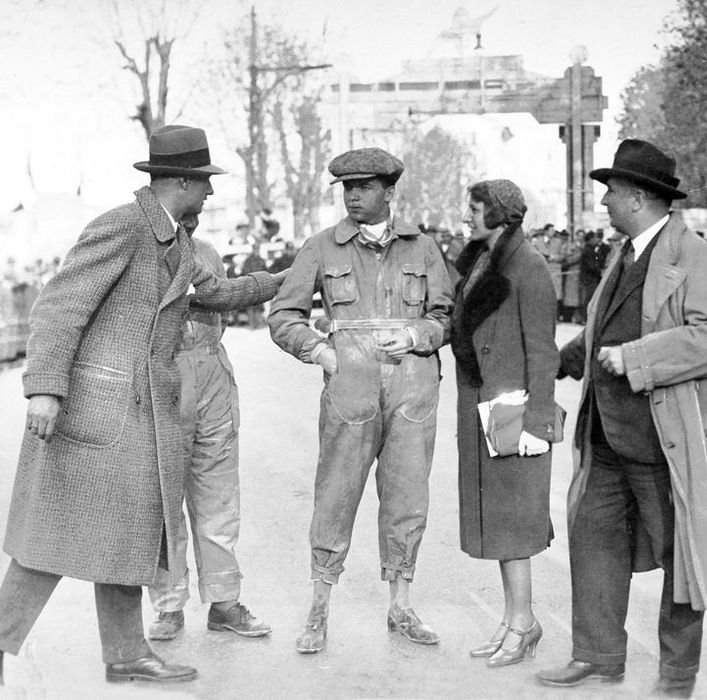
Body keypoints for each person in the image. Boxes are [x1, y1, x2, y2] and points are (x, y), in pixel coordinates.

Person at [0, 124, 282, 685]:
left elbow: (217, 295)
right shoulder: (124, 226)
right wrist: (46, 389)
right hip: (95, 412)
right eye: (204, 185)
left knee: (128, 533)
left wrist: (282, 279)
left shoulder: (173, 238)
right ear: (181, 181)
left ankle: (127, 654)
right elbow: (59, 305)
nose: (210, 195)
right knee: (48, 544)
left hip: (140, 415)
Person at [536, 139, 707, 698]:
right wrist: (557, 362)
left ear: (640, 197)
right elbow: (604, 328)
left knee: (682, 560)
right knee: (593, 542)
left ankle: (677, 676)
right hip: (605, 437)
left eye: (611, 193)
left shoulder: (695, 255)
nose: (603, 203)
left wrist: (637, 358)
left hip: (663, 443)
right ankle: (598, 657)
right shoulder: (623, 255)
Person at [267, 147, 453, 655]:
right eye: (347, 188)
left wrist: (419, 336)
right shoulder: (322, 247)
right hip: (350, 386)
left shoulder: (423, 249)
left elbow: (447, 315)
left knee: (407, 497)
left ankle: (401, 605)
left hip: (413, 386)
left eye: (364, 187)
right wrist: (321, 352)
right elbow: (284, 315)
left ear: (389, 192)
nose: (353, 196)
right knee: (336, 493)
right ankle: (319, 608)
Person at [145, 212, 271, 643]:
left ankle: (224, 602)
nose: (192, 217)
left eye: (198, 210)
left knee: (218, 492)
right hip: (164, 375)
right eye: (185, 210)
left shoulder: (208, 253)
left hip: (213, 372)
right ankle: (168, 605)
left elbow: (224, 299)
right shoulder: (142, 252)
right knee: (163, 500)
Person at [450, 180, 559, 668]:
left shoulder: (528, 266)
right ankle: (515, 618)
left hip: (513, 409)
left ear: (501, 214)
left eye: (475, 209)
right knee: (498, 521)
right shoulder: (482, 259)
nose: (467, 216)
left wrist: (537, 423)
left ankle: (524, 622)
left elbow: (543, 351)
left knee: (514, 523)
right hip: (488, 403)